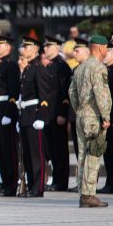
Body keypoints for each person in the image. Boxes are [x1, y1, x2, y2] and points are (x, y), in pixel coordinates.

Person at [69, 36, 112, 208]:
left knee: (82, 156)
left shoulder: (81, 68)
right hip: (93, 116)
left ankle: (83, 192)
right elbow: (101, 94)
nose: (107, 50)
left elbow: (71, 92)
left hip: (81, 115)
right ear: (100, 48)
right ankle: (89, 194)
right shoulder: (98, 67)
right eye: (106, 47)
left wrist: (79, 108)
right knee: (93, 154)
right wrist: (106, 116)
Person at [18, 36, 53, 198]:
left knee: (36, 155)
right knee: (27, 154)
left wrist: (41, 117)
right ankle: (31, 185)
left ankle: (38, 187)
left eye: (26, 47)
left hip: (34, 117)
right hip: (25, 115)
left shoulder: (39, 69)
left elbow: (45, 96)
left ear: (34, 49)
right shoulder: (28, 69)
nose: (23, 50)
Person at [0, 35, 20, 197]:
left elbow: (13, 92)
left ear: (8, 47)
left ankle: (11, 185)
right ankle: (5, 184)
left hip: (5, 111)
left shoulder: (11, 66)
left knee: (9, 151)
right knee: (0, 151)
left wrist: (8, 113)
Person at [43, 36, 72, 192]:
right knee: (52, 149)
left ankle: (61, 181)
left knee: (60, 149)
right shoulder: (49, 66)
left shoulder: (62, 67)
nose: (45, 49)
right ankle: (56, 179)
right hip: (48, 114)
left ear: (57, 48)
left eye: (49, 46)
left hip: (57, 113)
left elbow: (65, 93)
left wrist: (62, 113)